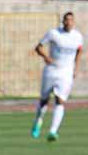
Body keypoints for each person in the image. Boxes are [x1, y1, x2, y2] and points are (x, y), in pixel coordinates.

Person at [32, 12, 83, 142]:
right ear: (63, 21)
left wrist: (76, 68)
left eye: (71, 20)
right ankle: (38, 122)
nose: (69, 22)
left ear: (74, 22)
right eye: (66, 20)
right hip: (51, 70)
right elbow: (38, 47)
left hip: (66, 73)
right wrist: (46, 57)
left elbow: (79, 51)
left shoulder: (78, 36)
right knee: (44, 100)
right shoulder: (54, 33)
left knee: (60, 100)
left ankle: (53, 131)